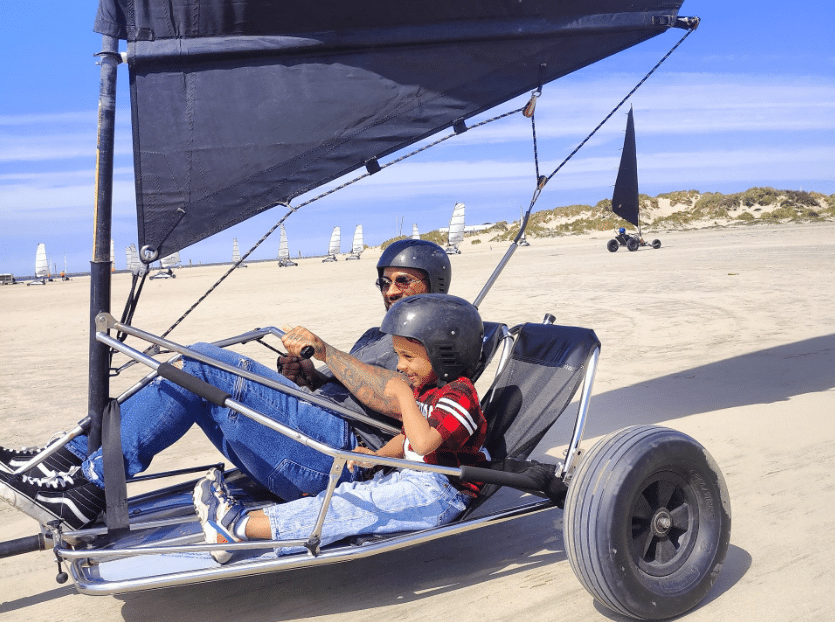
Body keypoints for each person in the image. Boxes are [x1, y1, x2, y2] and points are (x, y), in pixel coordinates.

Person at [0, 240, 452, 530]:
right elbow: (359, 391)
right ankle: (70, 459)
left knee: (204, 365)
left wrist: (329, 353)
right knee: (189, 370)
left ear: (436, 284)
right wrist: (311, 379)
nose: (390, 290)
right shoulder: (380, 337)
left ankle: (89, 487)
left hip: (337, 458)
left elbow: (415, 411)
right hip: (317, 430)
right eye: (385, 281)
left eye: (403, 280)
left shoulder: (443, 343)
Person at [193, 293, 487, 563]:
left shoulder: (459, 396)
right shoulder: (429, 389)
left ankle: (236, 527)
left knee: (351, 510)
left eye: (408, 357)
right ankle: (240, 524)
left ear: (444, 355)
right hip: (418, 478)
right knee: (344, 501)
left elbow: (424, 444)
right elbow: (408, 438)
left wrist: (403, 394)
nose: (399, 366)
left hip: (443, 491)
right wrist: (376, 457)